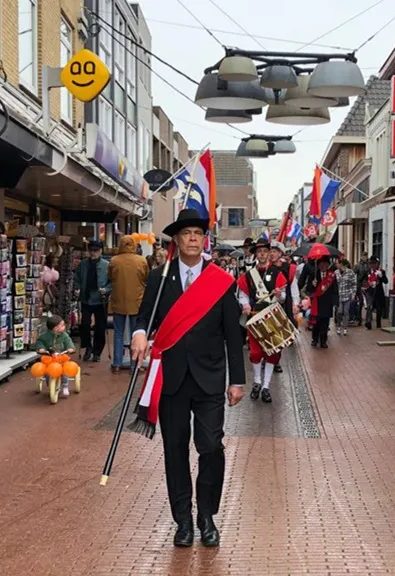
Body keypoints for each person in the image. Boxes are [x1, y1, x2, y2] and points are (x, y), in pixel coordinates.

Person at [129, 208, 245, 548]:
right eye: (186, 233)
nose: (193, 238)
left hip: (210, 378)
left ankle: (206, 515)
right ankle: (182, 519)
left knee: (210, 447)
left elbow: (232, 334)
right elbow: (144, 317)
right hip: (172, 379)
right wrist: (138, 333)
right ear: (177, 240)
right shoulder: (159, 277)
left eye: (198, 232)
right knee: (174, 450)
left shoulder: (220, 280)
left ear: (203, 239)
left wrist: (236, 380)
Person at [236, 237, 288, 403]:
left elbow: (283, 298)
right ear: (256, 254)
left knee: (272, 353)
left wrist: (280, 295)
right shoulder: (249, 275)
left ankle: (266, 386)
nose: (263, 254)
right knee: (256, 352)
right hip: (255, 317)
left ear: (269, 253)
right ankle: (257, 382)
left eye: (265, 251)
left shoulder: (277, 273)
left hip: (272, 317)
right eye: (259, 252)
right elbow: (242, 295)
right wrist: (244, 305)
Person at [107, 235, 149, 374]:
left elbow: (110, 277)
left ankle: (117, 363)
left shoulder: (114, 261)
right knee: (134, 334)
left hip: (118, 301)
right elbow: (145, 277)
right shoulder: (141, 260)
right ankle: (134, 364)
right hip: (136, 301)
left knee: (118, 333)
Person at [73, 240, 111, 362]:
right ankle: (87, 347)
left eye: (96, 250)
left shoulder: (107, 265)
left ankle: (97, 351)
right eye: (91, 250)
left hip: (100, 300)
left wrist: (106, 289)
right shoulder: (83, 264)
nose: (93, 253)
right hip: (86, 298)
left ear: (100, 251)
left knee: (100, 327)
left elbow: (112, 282)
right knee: (84, 324)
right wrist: (77, 288)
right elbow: (76, 278)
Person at [268, 241, 298, 374]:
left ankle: (276, 361)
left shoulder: (288, 268)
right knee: (268, 333)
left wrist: (295, 303)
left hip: (284, 303)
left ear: (280, 253)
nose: (272, 254)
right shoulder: (265, 267)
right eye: (271, 251)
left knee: (279, 335)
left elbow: (293, 286)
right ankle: (267, 359)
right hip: (268, 304)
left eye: (275, 251)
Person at [35, 315, 77, 397]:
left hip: (61, 357)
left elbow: (69, 343)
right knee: (46, 370)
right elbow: (40, 343)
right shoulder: (44, 336)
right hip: (49, 357)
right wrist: (41, 349)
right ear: (55, 328)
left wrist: (70, 348)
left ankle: (65, 385)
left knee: (65, 370)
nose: (64, 326)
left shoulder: (64, 336)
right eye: (62, 325)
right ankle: (49, 382)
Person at [304, 256, 337, 348]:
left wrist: (334, 302)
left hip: (327, 303)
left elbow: (335, 289)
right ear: (318, 265)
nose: (323, 265)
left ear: (328, 265)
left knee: (325, 323)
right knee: (316, 323)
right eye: (321, 263)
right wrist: (312, 284)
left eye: (325, 263)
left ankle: (323, 341)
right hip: (317, 303)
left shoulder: (331, 276)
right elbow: (308, 289)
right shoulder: (314, 275)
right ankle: (314, 339)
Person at [362, 256, 388, 330]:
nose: (372, 265)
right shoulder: (367, 271)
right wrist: (367, 283)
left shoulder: (381, 271)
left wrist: (381, 276)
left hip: (378, 292)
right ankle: (368, 322)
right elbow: (362, 280)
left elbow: (386, 281)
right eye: (371, 263)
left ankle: (378, 323)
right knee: (369, 306)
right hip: (369, 291)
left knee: (379, 308)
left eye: (374, 263)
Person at [334, 258, 357, 336]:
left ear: (341, 264)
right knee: (339, 312)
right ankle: (338, 326)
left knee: (346, 312)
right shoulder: (336, 273)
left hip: (347, 294)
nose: (336, 265)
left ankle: (345, 328)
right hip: (339, 295)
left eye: (337, 263)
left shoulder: (350, 272)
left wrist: (353, 294)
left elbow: (354, 283)